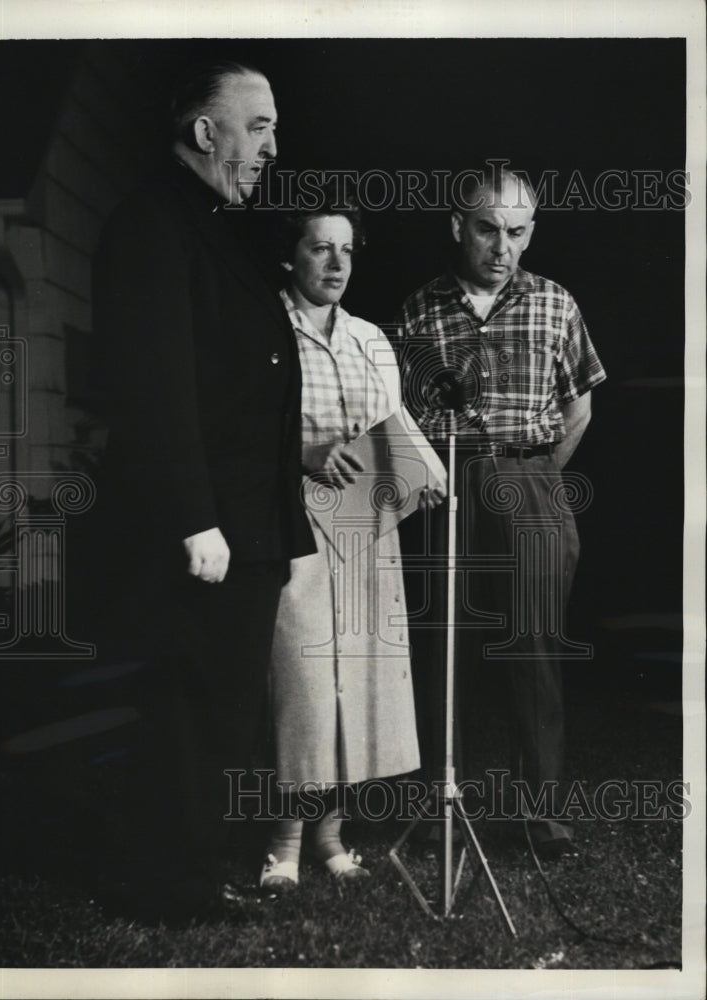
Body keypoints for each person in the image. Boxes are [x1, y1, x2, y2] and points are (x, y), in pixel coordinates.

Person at [91, 61, 314, 917]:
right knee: (189, 705)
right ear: (202, 131)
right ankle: (166, 883)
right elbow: (154, 387)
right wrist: (194, 518)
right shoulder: (153, 223)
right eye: (256, 126)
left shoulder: (211, 225)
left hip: (244, 523)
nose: (271, 147)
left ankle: (187, 868)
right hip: (208, 527)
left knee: (218, 706)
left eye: (273, 128)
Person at [397, 163, 606, 861]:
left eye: (517, 232)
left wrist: (533, 476)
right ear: (458, 226)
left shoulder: (555, 303)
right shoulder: (419, 310)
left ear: (531, 232)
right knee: (442, 650)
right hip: (445, 488)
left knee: (534, 652)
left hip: (530, 481)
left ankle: (540, 820)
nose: (502, 246)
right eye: (488, 229)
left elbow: (578, 407)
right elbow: (398, 417)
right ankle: (439, 812)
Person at [259, 189, 442, 890]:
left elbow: (392, 428)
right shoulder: (263, 328)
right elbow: (241, 430)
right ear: (290, 256)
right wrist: (303, 455)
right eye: (319, 248)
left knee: (356, 683)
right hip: (293, 521)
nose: (336, 264)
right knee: (302, 683)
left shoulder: (369, 339)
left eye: (346, 250)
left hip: (365, 525)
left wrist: (421, 473)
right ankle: (283, 843)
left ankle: (332, 837)